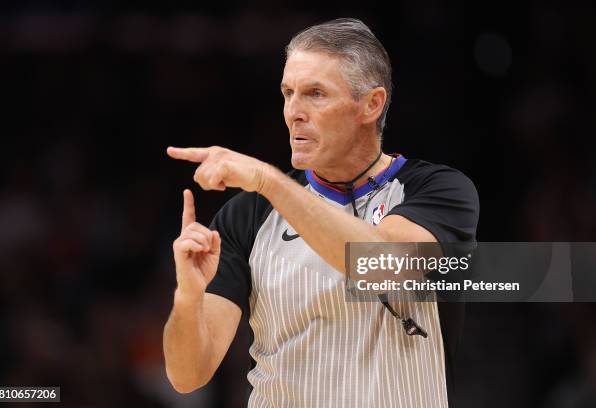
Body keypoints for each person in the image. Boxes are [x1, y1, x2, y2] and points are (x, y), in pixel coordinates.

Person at [163, 18, 479, 407]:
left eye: (315, 94)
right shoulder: (246, 216)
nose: (293, 111)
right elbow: (186, 376)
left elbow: (379, 263)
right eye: (287, 93)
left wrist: (271, 181)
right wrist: (187, 298)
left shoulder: (438, 190)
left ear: (371, 104)